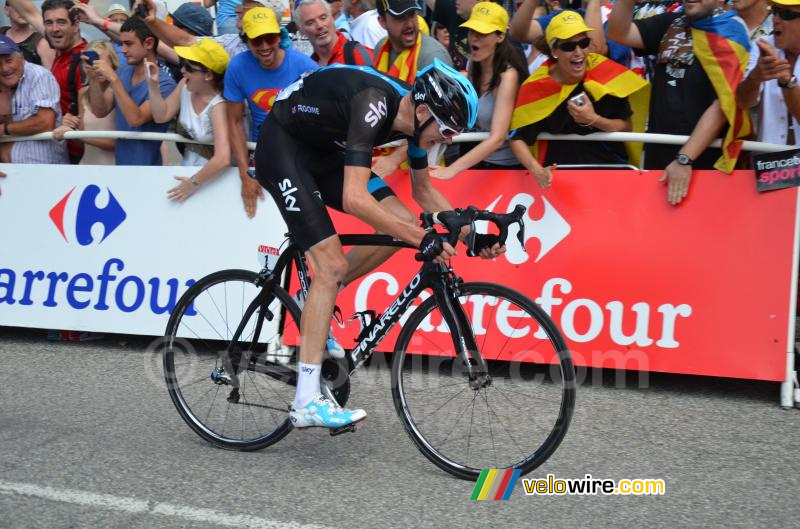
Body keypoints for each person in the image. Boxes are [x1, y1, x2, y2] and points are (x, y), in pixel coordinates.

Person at [253, 60, 503, 428]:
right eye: (447, 129)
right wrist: (424, 238)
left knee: (401, 224)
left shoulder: (416, 124)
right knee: (333, 263)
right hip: (283, 148)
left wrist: (473, 236)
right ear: (422, 111)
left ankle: (317, 300)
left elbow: (423, 191)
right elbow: (355, 198)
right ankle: (305, 401)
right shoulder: (374, 106)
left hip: (323, 151)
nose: (447, 139)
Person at [607, 0, 751, 205]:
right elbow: (618, 32)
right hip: (659, 157)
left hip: (703, 165)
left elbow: (725, 103)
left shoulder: (732, 32)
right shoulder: (672, 23)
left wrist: (684, 159)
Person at [508, 11, 648, 187]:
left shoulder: (606, 74)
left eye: (584, 43)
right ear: (554, 51)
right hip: (560, 181)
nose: (578, 52)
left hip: (610, 174)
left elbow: (627, 127)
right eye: (568, 46)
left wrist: (594, 119)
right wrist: (536, 169)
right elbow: (517, 137)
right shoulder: (537, 87)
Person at [224, 7, 317, 218]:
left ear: (279, 36)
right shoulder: (237, 67)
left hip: (301, 152)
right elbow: (234, 122)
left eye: (270, 38)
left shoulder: (305, 66)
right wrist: (245, 173)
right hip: (262, 152)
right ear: (246, 41)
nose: (265, 46)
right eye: (257, 40)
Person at [430, 2, 528, 179]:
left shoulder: (508, 76)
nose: (473, 38)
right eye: (471, 31)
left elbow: (497, 138)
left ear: (500, 37)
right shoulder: (473, 64)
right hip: (479, 164)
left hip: (508, 171)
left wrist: (451, 170)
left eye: (482, 33)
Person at [372, 0, 451, 176]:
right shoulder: (380, 48)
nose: (409, 24)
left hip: (423, 164)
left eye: (412, 14)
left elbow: (438, 122)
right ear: (382, 22)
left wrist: (393, 160)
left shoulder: (432, 56)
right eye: (400, 17)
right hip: (383, 158)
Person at [146, 38, 231, 201]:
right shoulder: (185, 86)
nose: (182, 70)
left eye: (189, 68)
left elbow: (223, 158)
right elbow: (161, 116)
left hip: (212, 183)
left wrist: (193, 183)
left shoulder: (219, 106)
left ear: (208, 75)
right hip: (188, 176)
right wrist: (153, 86)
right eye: (183, 64)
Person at [86, 16, 176, 165]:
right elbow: (99, 111)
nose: (123, 50)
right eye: (121, 44)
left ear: (149, 43)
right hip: (121, 166)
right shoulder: (123, 71)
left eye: (128, 44)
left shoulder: (165, 83)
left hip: (148, 169)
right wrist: (94, 79)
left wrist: (113, 79)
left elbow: (136, 119)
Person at [7, 0, 88, 163]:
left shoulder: (85, 61)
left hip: (79, 156)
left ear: (76, 25)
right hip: (59, 149)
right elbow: (28, 11)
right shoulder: (58, 47)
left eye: (62, 22)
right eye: (48, 23)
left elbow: (96, 117)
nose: (54, 28)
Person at [736, 1, 800, 145]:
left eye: (786, 14)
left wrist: (787, 82)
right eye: (775, 11)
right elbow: (742, 103)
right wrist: (754, 78)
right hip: (768, 161)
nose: (775, 19)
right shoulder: (763, 44)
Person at [0, 35, 68, 164]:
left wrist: (4, 129)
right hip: (9, 174)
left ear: (21, 58)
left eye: (9, 61)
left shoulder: (39, 76)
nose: (4, 69)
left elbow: (45, 123)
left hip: (44, 170)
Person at [52, 40, 120, 165]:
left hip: (114, 169)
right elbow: (82, 144)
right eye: (92, 61)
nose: (97, 66)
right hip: (86, 167)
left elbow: (121, 144)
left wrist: (79, 135)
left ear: (113, 63)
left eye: (103, 61)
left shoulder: (120, 91)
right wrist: (69, 126)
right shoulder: (83, 92)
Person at [295, 0, 373, 66]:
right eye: (310, 23)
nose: (319, 25)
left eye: (323, 18)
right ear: (301, 30)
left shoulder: (359, 55)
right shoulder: (308, 67)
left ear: (332, 18)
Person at [1, 3, 54, 68]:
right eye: (18, 7)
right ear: (6, 10)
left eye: (25, 9)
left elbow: (51, 76)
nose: (22, 12)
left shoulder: (42, 43)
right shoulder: (1, 33)